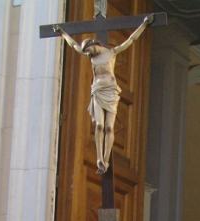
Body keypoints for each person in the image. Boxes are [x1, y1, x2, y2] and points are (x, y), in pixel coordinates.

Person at [56, 16, 153, 173]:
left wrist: (144, 24)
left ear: (93, 45)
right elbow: (74, 45)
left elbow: (131, 39)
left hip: (111, 92)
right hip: (97, 91)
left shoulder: (111, 53)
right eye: (86, 53)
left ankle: (106, 160)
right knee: (99, 126)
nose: (87, 55)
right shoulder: (90, 56)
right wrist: (62, 33)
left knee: (109, 128)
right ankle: (99, 158)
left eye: (88, 51)